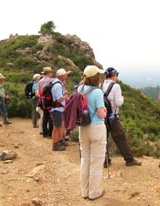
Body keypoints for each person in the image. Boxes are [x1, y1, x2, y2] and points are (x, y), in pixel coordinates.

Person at [101, 67, 142, 167]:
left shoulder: (100, 85)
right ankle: (129, 160)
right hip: (113, 117)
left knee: (103, 139)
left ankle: (105, 161)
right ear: (113, 75)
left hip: (102, 116)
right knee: (120, 137)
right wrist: (122, 98)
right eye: (116, 75)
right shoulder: (116, 86)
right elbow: (118, 103)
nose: (117, 77)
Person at [78, 65, 107, 201]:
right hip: (96, 128)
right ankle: (94, 192)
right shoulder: (97, 92)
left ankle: (84, 191)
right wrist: (105, 112)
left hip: (83, 127)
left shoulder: (80, 89)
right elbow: (101, 114)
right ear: (96, 77)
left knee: (85, 160)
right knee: (96, 161)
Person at [50, 68, 71, 151]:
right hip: (57, 109)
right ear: (62, 76)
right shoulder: (58, 85)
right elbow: (59, 99)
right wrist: (65, 95)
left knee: (60, 125)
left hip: (57, 109)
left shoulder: (56, 83)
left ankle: (59, 142)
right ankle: (55, 145)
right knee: (57, 127)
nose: (66, 76)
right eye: (65, 75)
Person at [37, 67, 55, 138]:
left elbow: (39, 92)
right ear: (49, 73)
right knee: (51, 117)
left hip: (43, 100)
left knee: (45, 116)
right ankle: (50, 133)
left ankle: (44, 133)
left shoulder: (40, 81)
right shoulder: (52, 80)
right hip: (50, 100)